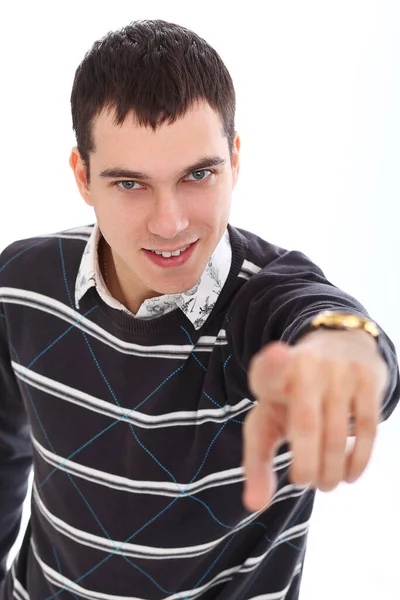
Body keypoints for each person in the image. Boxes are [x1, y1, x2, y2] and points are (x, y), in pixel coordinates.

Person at [0, 19, 398, 600]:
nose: (171, 223)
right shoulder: (22, 285)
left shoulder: (266, 299)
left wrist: (343, 346)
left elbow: (321, 319)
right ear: (83, 177)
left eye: (198, 174)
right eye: (130, 184)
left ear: (234, 159)